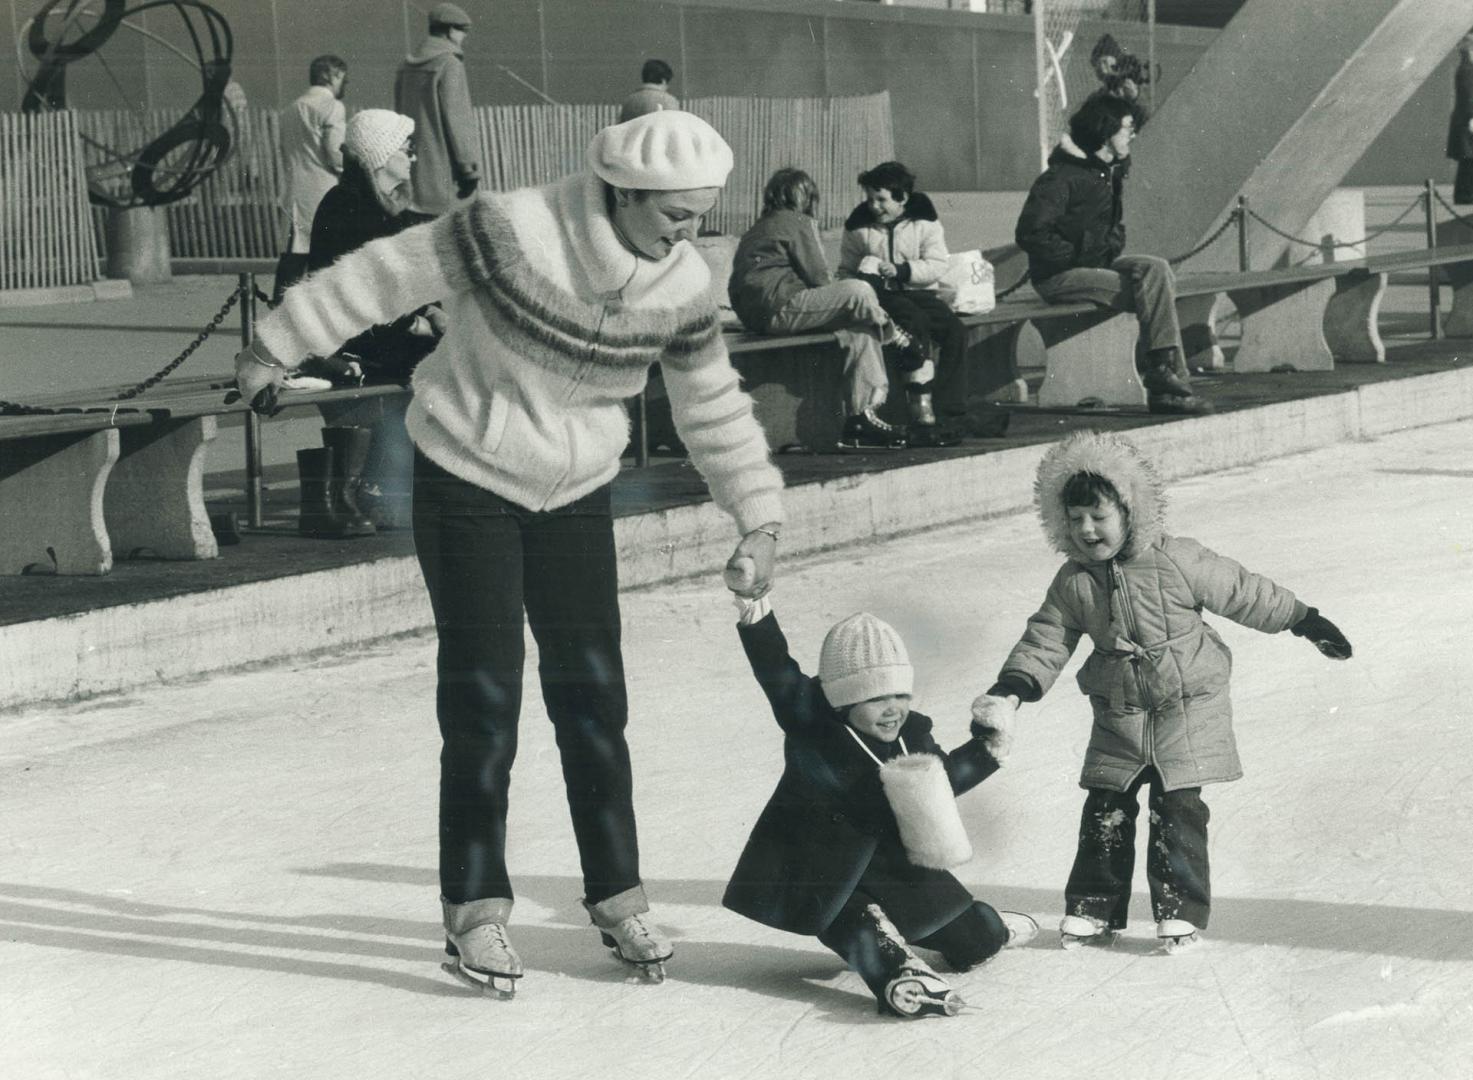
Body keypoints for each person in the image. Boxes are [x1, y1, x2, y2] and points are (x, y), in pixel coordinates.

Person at [232, 110, 785, 996]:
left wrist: (756, 516)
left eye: (701, 214)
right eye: (676, 214)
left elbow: (709, 399)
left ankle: (616, 892)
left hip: (574, 494)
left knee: (593, 698)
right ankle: (475, 911)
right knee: (484, 699)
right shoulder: (512, 231)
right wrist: (274, 346)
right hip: (466, 478)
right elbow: (383, 275)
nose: (692, 233)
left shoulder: (682, 284)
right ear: (624, 192)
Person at [970, 430, 1353, 953]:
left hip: (1187, 705)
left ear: (1129, 510)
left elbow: (1242, 591)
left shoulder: (1178, 558)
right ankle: (1093, 907)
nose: (1087, 529)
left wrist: (1305, 620)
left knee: (1177, 810)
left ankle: (1180, 910)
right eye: (1075, 518)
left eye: (1099, 516)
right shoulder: (1073, 581)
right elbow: (1047, 637)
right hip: (1119, 710)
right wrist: (1012, 688)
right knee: (1105, 808)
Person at [724, 600, 1032, 1018]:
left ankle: (991, 927)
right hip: (819, 872)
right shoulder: (813, 725)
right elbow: (774, 668)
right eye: (874, 697)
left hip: (891, 865)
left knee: (975, 939)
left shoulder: (913, 734)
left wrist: (986, 749)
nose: (892, 708)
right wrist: (754, 606)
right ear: (842, 700)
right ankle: (897, 974)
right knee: (859, 925)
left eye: (899, 694)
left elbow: (940, 782)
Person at [1015, 95, 1211, 416]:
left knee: (1156, 270)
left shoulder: (1107, 173)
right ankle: (1169, 382)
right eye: (1127, 128)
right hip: (1058, 277)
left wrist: (1112, 242)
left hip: (1096, 266)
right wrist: (1074, 254)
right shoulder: (1061, 177)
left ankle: (1164, 371)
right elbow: (1030, 232)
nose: (1131, 136)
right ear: (1105, 132)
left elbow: (1111, 225)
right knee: (1149, 293)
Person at [298, 108, 444, 535]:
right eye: (406, 148)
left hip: (380, 334)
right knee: (441, 357)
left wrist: (431, 314)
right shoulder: (346, 206)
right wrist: (420, 323)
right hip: (352, 338)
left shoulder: (387, 205)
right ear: (380, 155)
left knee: (460, 351)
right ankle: (383, 487)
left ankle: (423, 478)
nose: (412, 157)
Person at [730, 167, 920, 451]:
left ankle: (861, 420)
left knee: (861, 332)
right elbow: (819, 277)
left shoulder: (759, 226)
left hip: (758, 314)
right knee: (859, 290)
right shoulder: (796, 221)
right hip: (780, 307)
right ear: (806, 196)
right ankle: (899, 338)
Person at [839, 162, 966, 448]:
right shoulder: (859, 227)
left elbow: (937, 264)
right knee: (914, 324)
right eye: (870, 198)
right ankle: (920, 409)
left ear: (902, 198)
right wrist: (863, 282)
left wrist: (903, 271)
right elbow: (845, 268)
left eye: (882, 199)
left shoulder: (925, 223)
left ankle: (950, 408)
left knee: (955, 332)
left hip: (919, 291)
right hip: (885, 297)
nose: (874, 206)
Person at [394, 2, 480, 215]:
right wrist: (468, 168)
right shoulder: (449, 64)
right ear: (450, 31)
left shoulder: (406, 67)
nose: (463, 38)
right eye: (462, 31)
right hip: (446, 176)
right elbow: (457, 120)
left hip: (413, 177)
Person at [274, 54, 347, 301]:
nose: (343, 84)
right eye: (341, 77)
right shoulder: (332, 107)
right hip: (323, 192)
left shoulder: (289, 110)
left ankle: (280, 313)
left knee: (292, 258)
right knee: (326, 258)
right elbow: (334, 154)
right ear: (332, 75)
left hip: (293, 193)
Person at [1447, 30, 1473, 205]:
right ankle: (1464, 196)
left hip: (1465, 119)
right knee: (1468, 159)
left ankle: (1464, 195)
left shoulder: (1466, 69)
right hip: (1467, 120)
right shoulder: (1466, 69)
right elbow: (1468, 95)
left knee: (1468, 159)